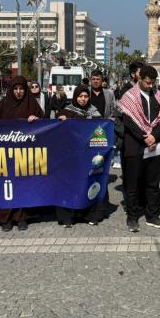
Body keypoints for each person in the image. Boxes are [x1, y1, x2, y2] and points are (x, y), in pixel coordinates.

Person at [0, 76, 44, 231]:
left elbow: (44, 125)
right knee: (6, 185)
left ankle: (22, 217)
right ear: (11, 90)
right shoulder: (4, 104)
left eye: (21, 88)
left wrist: (36, 119)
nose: (18, 92)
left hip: (25, 153)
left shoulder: (32, 104)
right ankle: (6, 218)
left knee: (24, 184)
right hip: (6, 154)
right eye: (15, 89)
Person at [117, 65, 160, 232]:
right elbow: (128, 120)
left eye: (153, 82)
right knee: (132, 184)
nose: (151, 86)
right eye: (148, 82)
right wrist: (144, 136)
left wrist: (154, 135)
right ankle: (132, 217)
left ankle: (152, 215)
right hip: (135, 145)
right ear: (139, 79)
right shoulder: (129, 97)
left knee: (152, 182)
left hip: (154, 144)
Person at [56, 85, 104, 227]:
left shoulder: (94, 112)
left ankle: (89, 215)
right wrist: (61, 121)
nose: (83, 99)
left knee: (88, 183)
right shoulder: (66, 111)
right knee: (69, 184)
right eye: (80, 96)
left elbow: (100, 129)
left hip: (88, 155)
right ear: (75, 97)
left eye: (86, 96)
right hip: (70, 156)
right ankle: (67, 217)